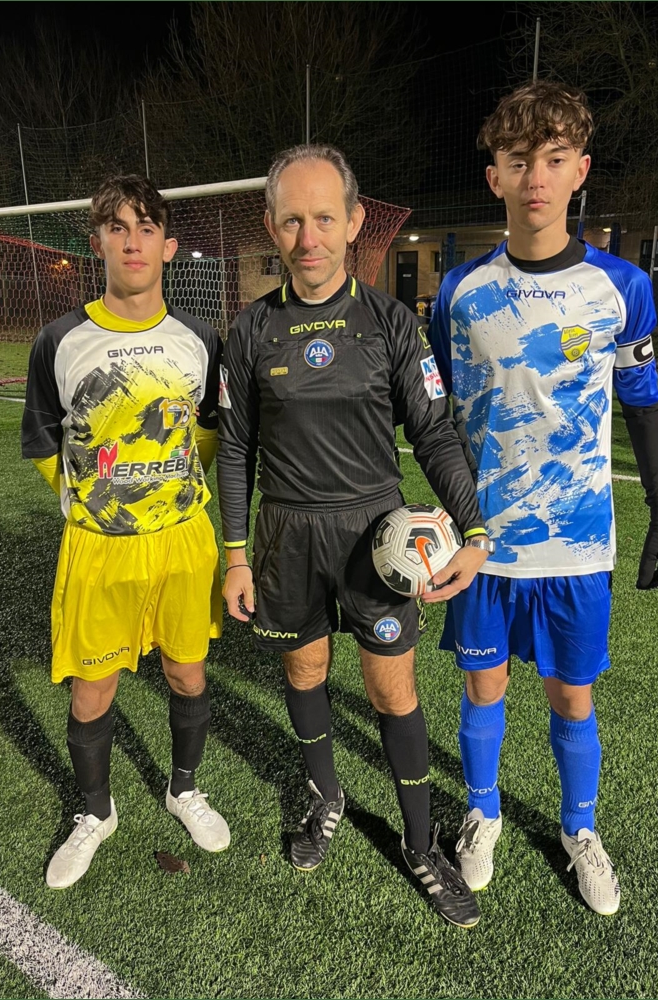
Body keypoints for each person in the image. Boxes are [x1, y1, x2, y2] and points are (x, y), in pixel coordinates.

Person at [217, 144, 494, 928]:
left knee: (390, 691)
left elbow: (434, 434)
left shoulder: (390, 322)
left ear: (355, 222)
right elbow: (234, 449)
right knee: (304, 670)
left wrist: (473, 529)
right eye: (292, 221)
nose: (309, 237)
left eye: (324, 218)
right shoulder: (251, 330)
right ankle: (327, 796)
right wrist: (234, 555)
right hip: (286, 538)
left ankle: (419, 841)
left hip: (378, 540)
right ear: (272, 226)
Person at [427, 81, 658, 915]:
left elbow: (642, 404)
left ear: (581, 171)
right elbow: (437, 416)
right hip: (484, 541)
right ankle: (483, 813)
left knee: (573, 696)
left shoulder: (621, 287)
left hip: (577, 542)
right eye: (517, 160)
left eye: (554, 158)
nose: (535, 177)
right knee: (483, 688)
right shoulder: (459, 292)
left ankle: (580, 830)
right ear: (494, 176)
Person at [21, 174, 230, 888]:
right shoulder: (59, 340)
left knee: (187, 671)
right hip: (98, 545)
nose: (132, 242)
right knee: (92, 687)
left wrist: (165, 490)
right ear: (98, 243)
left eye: (146, 228)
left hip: (182, 540)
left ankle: (184, 789)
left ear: (168, 246)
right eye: (118, 227)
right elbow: (42, 439)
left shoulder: (200, 338)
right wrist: (95, 502)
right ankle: (95, 812)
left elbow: (210, 432)